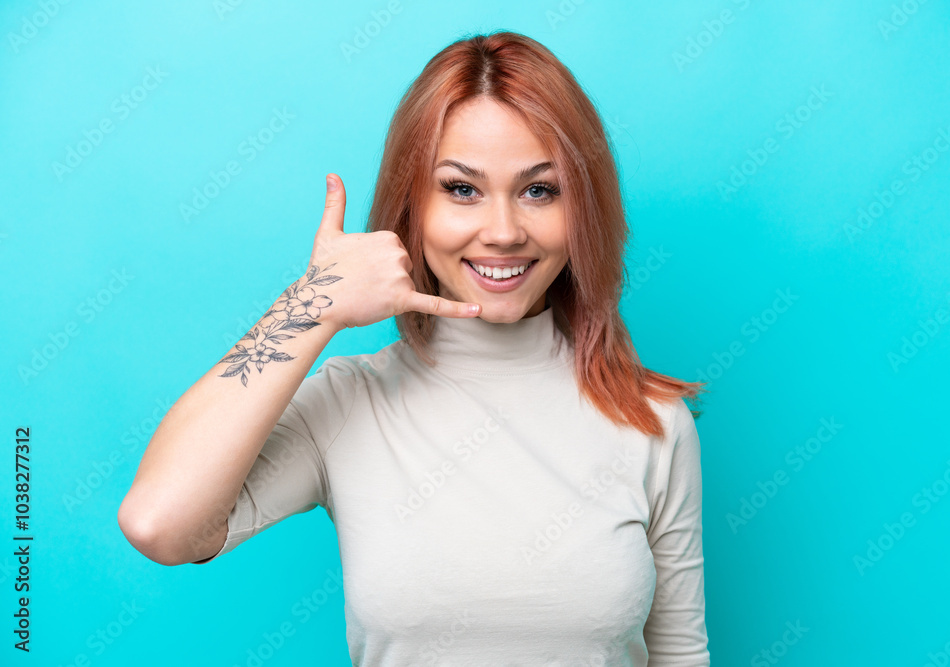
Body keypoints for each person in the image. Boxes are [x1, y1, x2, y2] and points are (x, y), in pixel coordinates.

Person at [118, 30, 710, 666]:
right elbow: (160, 523)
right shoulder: (351, 402)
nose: (504, 231)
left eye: (540, 189)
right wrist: (311, 304)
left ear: (582, 207)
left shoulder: (653, 421)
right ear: (412, 208)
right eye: (461, 189)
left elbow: (679, 653)